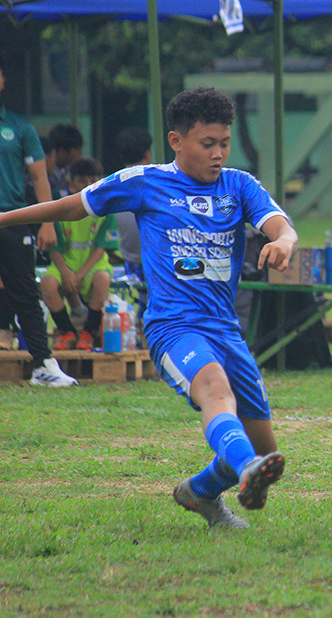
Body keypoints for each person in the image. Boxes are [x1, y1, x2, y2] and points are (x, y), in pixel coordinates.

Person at [0, 87, 297, 528]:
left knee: (265, 451)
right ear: (176, 141)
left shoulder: (239, 186)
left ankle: (200, 492)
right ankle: (245, 470)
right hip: (173, 327)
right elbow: (70, 208)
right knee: (217, 392)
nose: (218, 154)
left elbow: (279, 225)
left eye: (224, 143)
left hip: (226, 330)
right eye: (207, 144)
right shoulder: (144, 181)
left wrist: (283, 241)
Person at [0, 54, 77, 385]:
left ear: (2, 81)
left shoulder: (18, 127)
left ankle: (43, 365)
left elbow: (40, 176)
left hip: (13, 219)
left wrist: (47, 222)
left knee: (25, 292)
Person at [42, 157, 117, 351]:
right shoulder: (61, 207)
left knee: (102, 278)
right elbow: (54, 248)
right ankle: (67, 331)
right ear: (70, 183)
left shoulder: (106, 209)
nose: (89, 185)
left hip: (92, 265)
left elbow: (101, 249)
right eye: (82, 180)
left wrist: (80, 275)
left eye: (94, 180)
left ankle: (89, 333)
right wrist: (66, 273)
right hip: (65, 264)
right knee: (47, 283)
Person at [112, 127, 154, 280]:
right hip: (153, 268)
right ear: (147, 155)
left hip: (120, 268)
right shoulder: (157, 185)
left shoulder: (110, 187)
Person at [47, 123, 84, 199]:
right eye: (77, 150)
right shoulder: (45, 174)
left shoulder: (71, 170)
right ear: (62, 151)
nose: (80, 153)